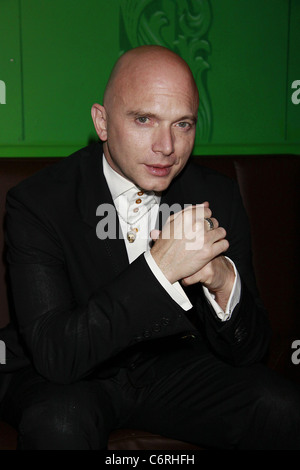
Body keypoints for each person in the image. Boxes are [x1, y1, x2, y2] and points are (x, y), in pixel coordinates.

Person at [1, 45, 300, 449]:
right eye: (144, 119)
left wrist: (223, 280)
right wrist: (160, 270)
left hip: (173, 369)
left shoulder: (217, 195)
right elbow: (57, 355)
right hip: (72, 376)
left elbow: (251, 349)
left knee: (280, 405)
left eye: (183, 124)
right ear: (102, 123)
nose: (167, 146)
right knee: (60, 425)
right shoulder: (39, 203)